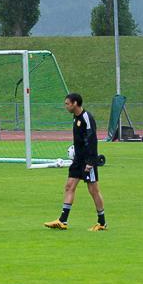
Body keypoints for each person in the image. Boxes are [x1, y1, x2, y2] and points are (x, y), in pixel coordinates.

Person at [45, 92, 107, 231]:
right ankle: (63, 221)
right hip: (78, 160)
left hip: (88, 160)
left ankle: (102, 223)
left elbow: (92, 140)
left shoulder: (86, 117)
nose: (65, 106)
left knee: (93, 190)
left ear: (75, 103)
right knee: (69, 186)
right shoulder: (76, 118)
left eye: (67, 104)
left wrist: (90, 162)